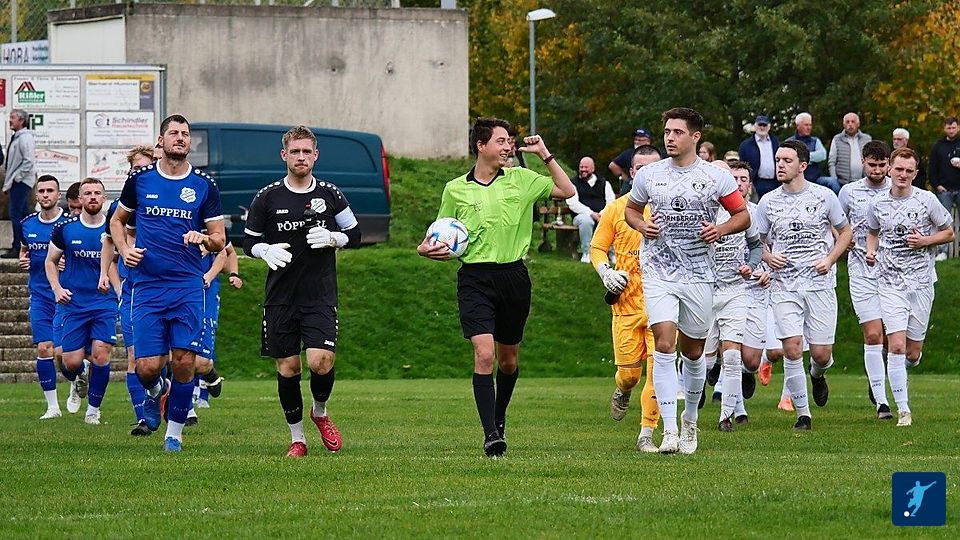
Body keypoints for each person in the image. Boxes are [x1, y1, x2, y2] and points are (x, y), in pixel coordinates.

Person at [417, 117, 574, 457]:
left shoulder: (522, 179)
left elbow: (567, 191)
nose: (508, 146)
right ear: (481, 145)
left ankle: (499, 416)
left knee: (508, 361)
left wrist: (544, 154)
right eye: (501, 141)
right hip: (474, 279)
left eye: (509, 141)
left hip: (514, 278)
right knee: (484, 354)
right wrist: (424, 249)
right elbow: (438, 234)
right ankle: (491, 435)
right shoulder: (455, 189)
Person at [625, 107, 750, 454]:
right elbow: (631, 210)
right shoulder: (649, 175)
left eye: (677, 132)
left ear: (695, 137)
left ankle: (690, 420)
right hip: (659, 270)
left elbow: (742, 215)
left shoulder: (716, 177)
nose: (670, 138)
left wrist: (720, 229)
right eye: (667, 131)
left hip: (699, 273)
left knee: (694, 353)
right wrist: (641, 225)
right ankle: (669, 430)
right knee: (664, 343)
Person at [110, 114, 226, 453]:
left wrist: (204, 238)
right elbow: (117, 221)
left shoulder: (204, 185)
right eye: (173, 132)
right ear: (161, 141)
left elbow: (220, 239)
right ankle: (155, 390)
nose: (180, 137)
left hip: (187, 285)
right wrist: (125, 250)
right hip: (147, 286)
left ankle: (173, 434)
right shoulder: (140, 180)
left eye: (185, 133)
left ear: (189, 142)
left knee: (185, 361)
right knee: (147, 368)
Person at [243, 125, 361, 458]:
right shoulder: (267, 197)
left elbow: (356, 234)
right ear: (284, 155)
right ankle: (298, 439)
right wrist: (264, 250)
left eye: (306, 151)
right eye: (294, 151)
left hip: (319, 294)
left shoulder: (331, 194)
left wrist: (335, 238)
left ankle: (319, 412)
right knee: (288, 368)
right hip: (280, 297)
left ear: (315, 155)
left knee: (320, 362)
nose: (301, 157)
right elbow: (249, 241)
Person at [755, 140, 852, 430]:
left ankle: (818, 375)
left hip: (819, 284)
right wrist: (768, 256)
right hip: (784, 286)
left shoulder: (824, 196)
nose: (780, 165)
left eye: (787, 160)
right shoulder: (768, 201)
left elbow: (846, 233)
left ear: (803, 166)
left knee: (821, 354)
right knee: (792, 348)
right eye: (778, 160)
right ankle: (803, 415)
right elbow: (756, 241)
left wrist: (830, 259)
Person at [866, 147, 954, 427]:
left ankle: (902, 369)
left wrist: (925, 241)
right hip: (890, 283)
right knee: (896, 345)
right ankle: (903, 410)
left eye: (908, 171)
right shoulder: (877, 203)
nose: (902, 175)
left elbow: (949, 232)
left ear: (915, 173)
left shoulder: (927, 200)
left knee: (912, 354)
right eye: (898, 169)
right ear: (889, 169)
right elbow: (872, 232)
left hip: (921, 283)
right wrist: (871, 251)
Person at [592, 148, 661, 452]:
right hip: (626, 306)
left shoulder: (671, 208)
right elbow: (597, 248)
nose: (647, 173)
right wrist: (606, 272)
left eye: (653, 168)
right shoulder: (616, 209)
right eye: (641, 168)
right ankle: (623, 389)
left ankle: (647, 433)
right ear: (632, 173)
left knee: (659, 372)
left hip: (661, 304)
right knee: (630, 375)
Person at [45, 178, 118, 425]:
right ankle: (80, 374)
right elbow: (50, 261)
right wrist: (57, 289)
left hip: (103, 302)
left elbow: (117, 263)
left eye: (97, 193)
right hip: (73, 303)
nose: (93, 197)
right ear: (80, 199)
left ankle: (93, 411)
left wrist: (119, 291)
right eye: (88, 193)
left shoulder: (113, 229)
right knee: (70, 362)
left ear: (104, 198)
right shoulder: (65, 229)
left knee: (101, 354)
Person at [703, 160, 767, 431]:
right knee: (703, 360)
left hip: (734, 291)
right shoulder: (701, 208)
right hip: (704, 291)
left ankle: (726, 417)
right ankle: (694, 402)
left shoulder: (744, 213)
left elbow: (756, 246)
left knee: (732, 357)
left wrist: (750, 266)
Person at [99, 144, 155, 436]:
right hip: (132, 292)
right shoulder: (118, 208)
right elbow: (109, 245)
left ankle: (167, 400)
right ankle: (143, 418)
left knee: (162, 360)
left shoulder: (163, 201)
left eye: (145, 168)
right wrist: (110, 280)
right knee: (135, 356)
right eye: (135, 168)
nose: (139, 173)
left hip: (161, 287)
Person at [838, 141, 892, 419]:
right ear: (863, 163)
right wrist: (842, 241)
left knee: (894, 340)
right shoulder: (849, 192)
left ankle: (880, 371)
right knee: (872, 334)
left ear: (889, 164)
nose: (877, 170)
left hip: (894, 273)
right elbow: (835, 223)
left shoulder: (898, 189)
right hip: (861, 270)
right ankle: (882, 402)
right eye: (872, 165)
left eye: (882, 165)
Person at [19, 175, 71, 418]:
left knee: (65, 354)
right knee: (43, 348)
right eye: (41, 191)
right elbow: (24, 250)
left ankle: (76, 378)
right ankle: (53, 407)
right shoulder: (27, 224)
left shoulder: (69, 224)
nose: (46, 195)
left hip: (66, 295)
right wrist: (23, 260)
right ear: (36, 195)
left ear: (58, 195)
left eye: (50, 190)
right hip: (39, 295)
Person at [2, 109, 37, 258]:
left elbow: (28, 161)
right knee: (23, 214)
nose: (10, 120)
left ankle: (17, 247)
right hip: (17, 182)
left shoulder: (25, 138)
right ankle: (25, 246)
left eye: (13, 117)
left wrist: (17, 178)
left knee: (16, 213)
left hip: (21, 182)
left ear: (22, 120)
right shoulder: (18, 137)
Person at [567, 156, 614, 263]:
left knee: (610, 220)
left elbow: (611, 202)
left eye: (586, 167)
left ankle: (612, 253)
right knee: (586, 221)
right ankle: (587, 253)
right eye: (581, 167)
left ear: (593, 169)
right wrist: (591, 213)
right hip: (580, 217)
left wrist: (601, 214)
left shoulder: (604, 183)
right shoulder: (573, 183)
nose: (583, 169)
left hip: (602, 215)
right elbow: (573, 203)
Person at [927, 116, 960, 262]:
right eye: (949, 128)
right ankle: (942, 252)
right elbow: (932, 169)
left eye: (953, 127)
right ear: (944, 128)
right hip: (944, 190)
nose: (951, 130)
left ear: (958, 128)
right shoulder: (938, 146)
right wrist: (937, 185)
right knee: (943, 222)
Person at [785, 112, 840, 194]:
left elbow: (822, 155)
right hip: (797, 180)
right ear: (798, 126)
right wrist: (812, 157)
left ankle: (838, 202)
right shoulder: (789, 142)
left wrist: (803, 157)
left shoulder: (815, 140)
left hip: (815, 179)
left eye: (810, 125)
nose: (809, 128)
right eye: (806, 125)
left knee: (833, 182)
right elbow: (788, 160)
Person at [738, 115, 779, 200]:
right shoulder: (745, 145)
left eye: (764, 125)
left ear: (769, 126)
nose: (762, 127)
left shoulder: (776, 142)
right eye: (760, 125)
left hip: (775, 183)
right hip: (755, 183)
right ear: (755, 126)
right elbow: (742, 165)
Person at [828, 112, 872, 186]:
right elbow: (832, 162)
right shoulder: (837, 139)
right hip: (842, 183)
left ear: (858, 124)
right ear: (844, 125)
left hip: (864, 182)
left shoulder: (867, 139)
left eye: (853, 121)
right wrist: (834, 179)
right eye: (847, 122)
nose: (850, 124)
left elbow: (871, 160)